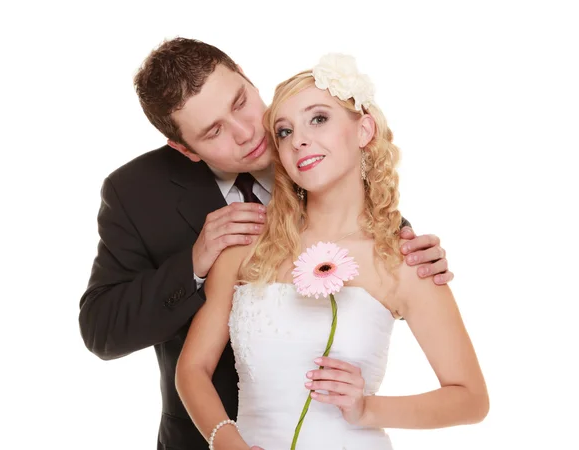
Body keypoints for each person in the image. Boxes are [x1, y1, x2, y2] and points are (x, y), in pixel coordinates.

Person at [79, 38, 453, 450]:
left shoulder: (312, 139)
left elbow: (375, 261)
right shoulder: (135, 192)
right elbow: (102, 330)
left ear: (247, 76)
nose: (245, 133)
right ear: (184, 149)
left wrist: (416, 261)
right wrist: (194, 265)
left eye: (240, 102)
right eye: (214, 131)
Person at [175, 54, 488, 450]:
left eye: (318, 119)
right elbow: (192, 369)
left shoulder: (405, 260)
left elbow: (471, 400)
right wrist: (227, 442)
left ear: (364, 130)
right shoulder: (245, 248)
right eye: (284, 132)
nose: (299, 139)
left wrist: (367, 409)